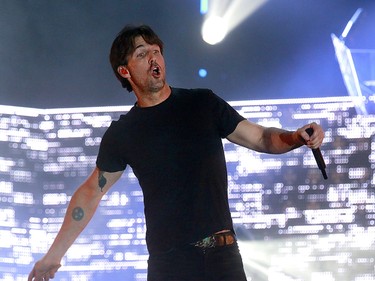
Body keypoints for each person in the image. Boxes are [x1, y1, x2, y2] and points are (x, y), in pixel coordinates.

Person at [28, 24, 325, 281]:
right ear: (124, 70)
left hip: (222, 256)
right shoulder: (124, 132)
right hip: (170, 265)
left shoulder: (202, 104)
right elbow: (91, 191)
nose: (153, 58)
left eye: (156, 51)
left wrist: (296, 137)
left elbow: (260, 138)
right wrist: (53, 256)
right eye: (142, 54)